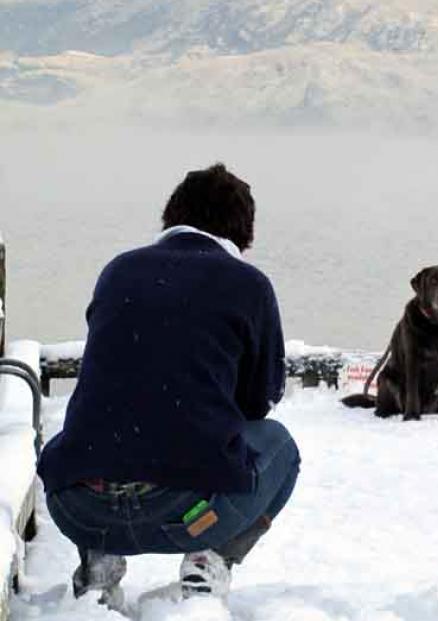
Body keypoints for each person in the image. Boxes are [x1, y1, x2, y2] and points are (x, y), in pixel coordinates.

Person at [37, 163, 299, 606]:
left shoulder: (118, 271)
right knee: (281, 449)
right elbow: (260, 400)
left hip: (78, 507)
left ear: (171, 215)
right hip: (191, 513)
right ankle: (208, 563)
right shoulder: (248, 285)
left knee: (92, 432)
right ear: (244, 233)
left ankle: (98, 563)